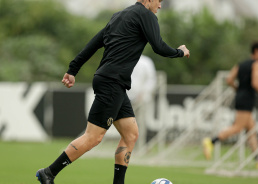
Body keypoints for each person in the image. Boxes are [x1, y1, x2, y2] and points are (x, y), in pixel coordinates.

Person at [36, 0, 190, 184]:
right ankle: (49, 173)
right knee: (93, 137)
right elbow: (158, 46)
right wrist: (179, 52)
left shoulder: (119, 16)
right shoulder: (146, 15)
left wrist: (73, 70)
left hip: (112, 82)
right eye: (159, 1)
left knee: (131, 134)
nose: (160, 6)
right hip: (112, 82)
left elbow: (93, 43)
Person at [202, 41, 258, 168]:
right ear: (257, 51)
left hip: (240, 96)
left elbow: (229, 79)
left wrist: (238, 89)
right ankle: (211, 142)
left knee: (251, 129)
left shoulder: (241, 64)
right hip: (247, 99)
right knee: (238, 127)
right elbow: (256, 83)